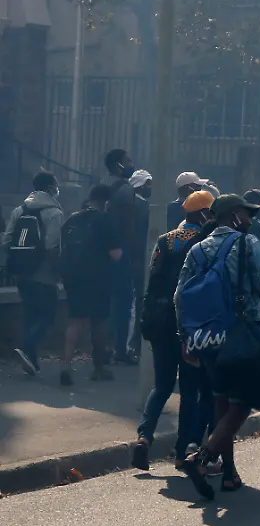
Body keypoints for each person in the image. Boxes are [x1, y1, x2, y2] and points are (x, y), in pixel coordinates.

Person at [176, 193, 260, 499]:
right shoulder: (248, 244)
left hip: (207, 337)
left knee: (222, 403)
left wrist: (186, 338)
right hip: (242, 333)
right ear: (233, 216)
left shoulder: (197, 249)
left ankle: (229, 473)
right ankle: (201, 458)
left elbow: (180, 296)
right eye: (246, 215)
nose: (250, 221)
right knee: (243, 402)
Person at [132, 190, 215, 470]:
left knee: (162, 386)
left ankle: (144, 436)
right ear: (203, 214)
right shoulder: (205, 243)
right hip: (188, 325)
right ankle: (181, 452)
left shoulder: (164, 240)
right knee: (189, 390)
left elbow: (153, 279)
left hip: (160, 321)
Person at [59, 183, 123, 385]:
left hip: (73, 277)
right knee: (99, 321)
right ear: (107, 202)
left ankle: (66, 364)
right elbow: (116, 254)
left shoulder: (72, 219)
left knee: (76, 320)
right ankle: (99, 367)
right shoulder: (105, 220)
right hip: (98, 278)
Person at [3, 171, 64, 375]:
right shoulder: (54, 213)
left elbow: (6, 240)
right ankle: (28, 346)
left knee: (30, 314)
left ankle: (30, 360)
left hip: (22, 273)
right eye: (55, 185)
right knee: (48, 315)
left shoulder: (19, 210)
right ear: (49, 188)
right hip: (44, 274)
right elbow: (52, 245)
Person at [101, 148, 140, 365]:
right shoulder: (125, 190)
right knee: (123, 302)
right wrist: (133, 253)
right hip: (120, 252)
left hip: (100, 253)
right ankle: (120, 349)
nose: (131, 164)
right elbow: (128, 225)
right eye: (128, 161)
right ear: (118, 165)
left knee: (104, 303)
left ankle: (102, 348)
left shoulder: (100, 185)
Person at [126, 169, 153, 358]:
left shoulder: (128, 203)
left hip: (129, 258)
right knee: (135, 303)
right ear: (142, 185)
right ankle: (130, 346)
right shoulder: (142, 206)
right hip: (138, 259)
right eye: (148, 184)